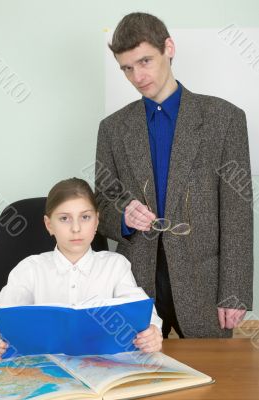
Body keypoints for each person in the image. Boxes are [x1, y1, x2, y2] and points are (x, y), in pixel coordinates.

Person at [95, 12, 253, 338]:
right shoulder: (112, 128)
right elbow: (101, 203)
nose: (137, 76)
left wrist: (234, 291)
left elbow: (237, 215)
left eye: (145, 61)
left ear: (169, 47)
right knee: (136, 379)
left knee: (213, 380)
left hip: (204, 283)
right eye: (127, 68)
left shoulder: (224, 119)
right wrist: (123, 216)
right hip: (134, 281)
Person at [0, 178, 162, 360]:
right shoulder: (30, 269)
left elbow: (144, 315)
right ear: (49, 225)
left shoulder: (116, 265)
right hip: (45, 374)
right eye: (64, 219)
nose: (76, 228)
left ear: (96, 222)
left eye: (85, 217)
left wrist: (153, 333)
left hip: (103, 370)